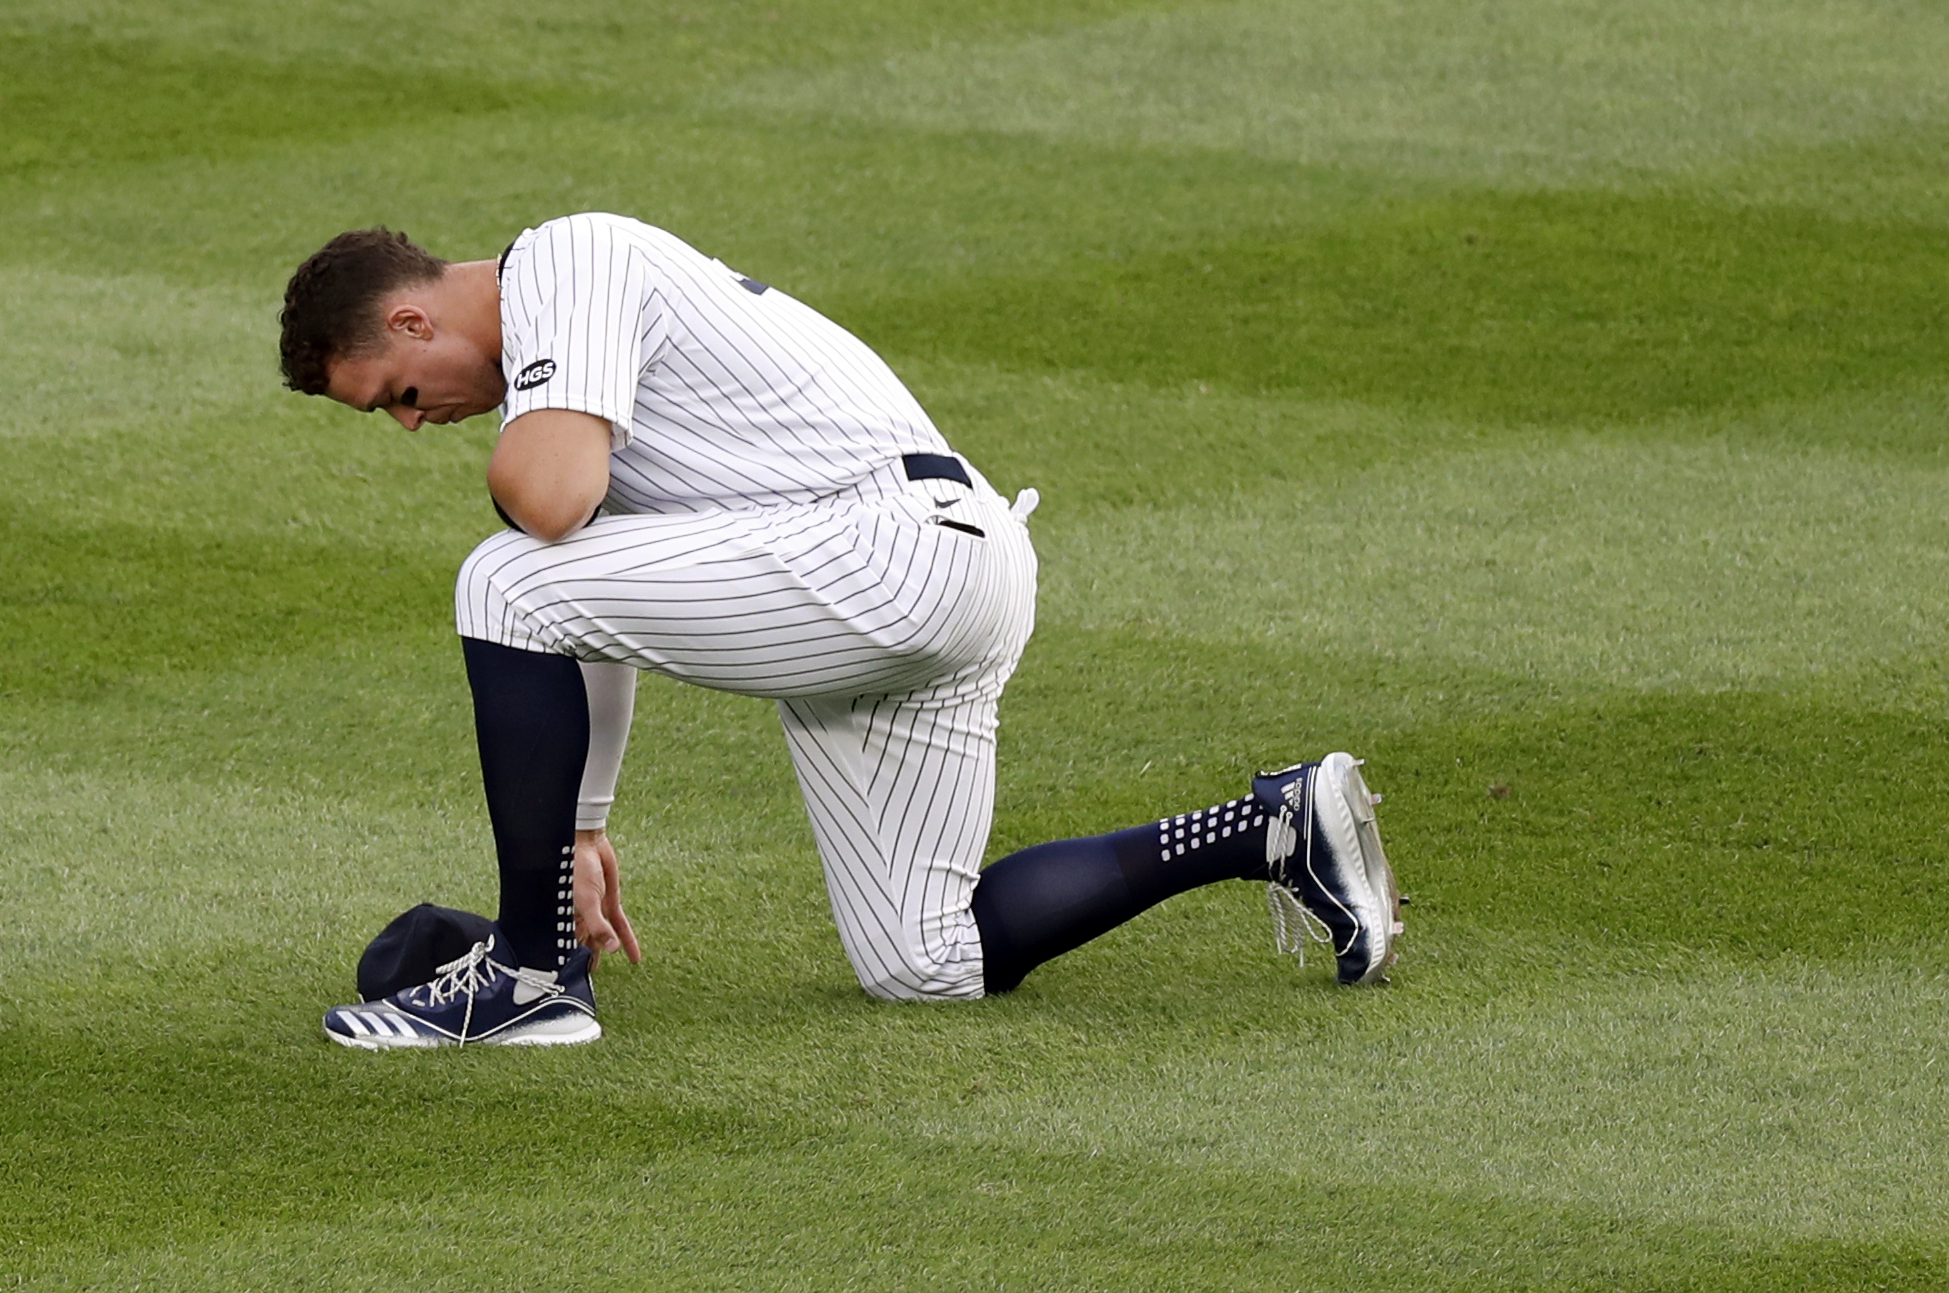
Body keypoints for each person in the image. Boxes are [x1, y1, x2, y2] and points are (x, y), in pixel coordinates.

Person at [277, 214, 1400, 1049]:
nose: (416, 423)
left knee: (499, 571)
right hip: (939, 572)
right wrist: (578, 828)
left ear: (414, 318)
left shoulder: (565, 261)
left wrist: (542, 907)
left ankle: (525, 980)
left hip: (884, 549)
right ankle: (1271, 825)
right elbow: (582, 588)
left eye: (396, 394)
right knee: (925, 961)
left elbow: (548, 509)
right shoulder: (571, 382)